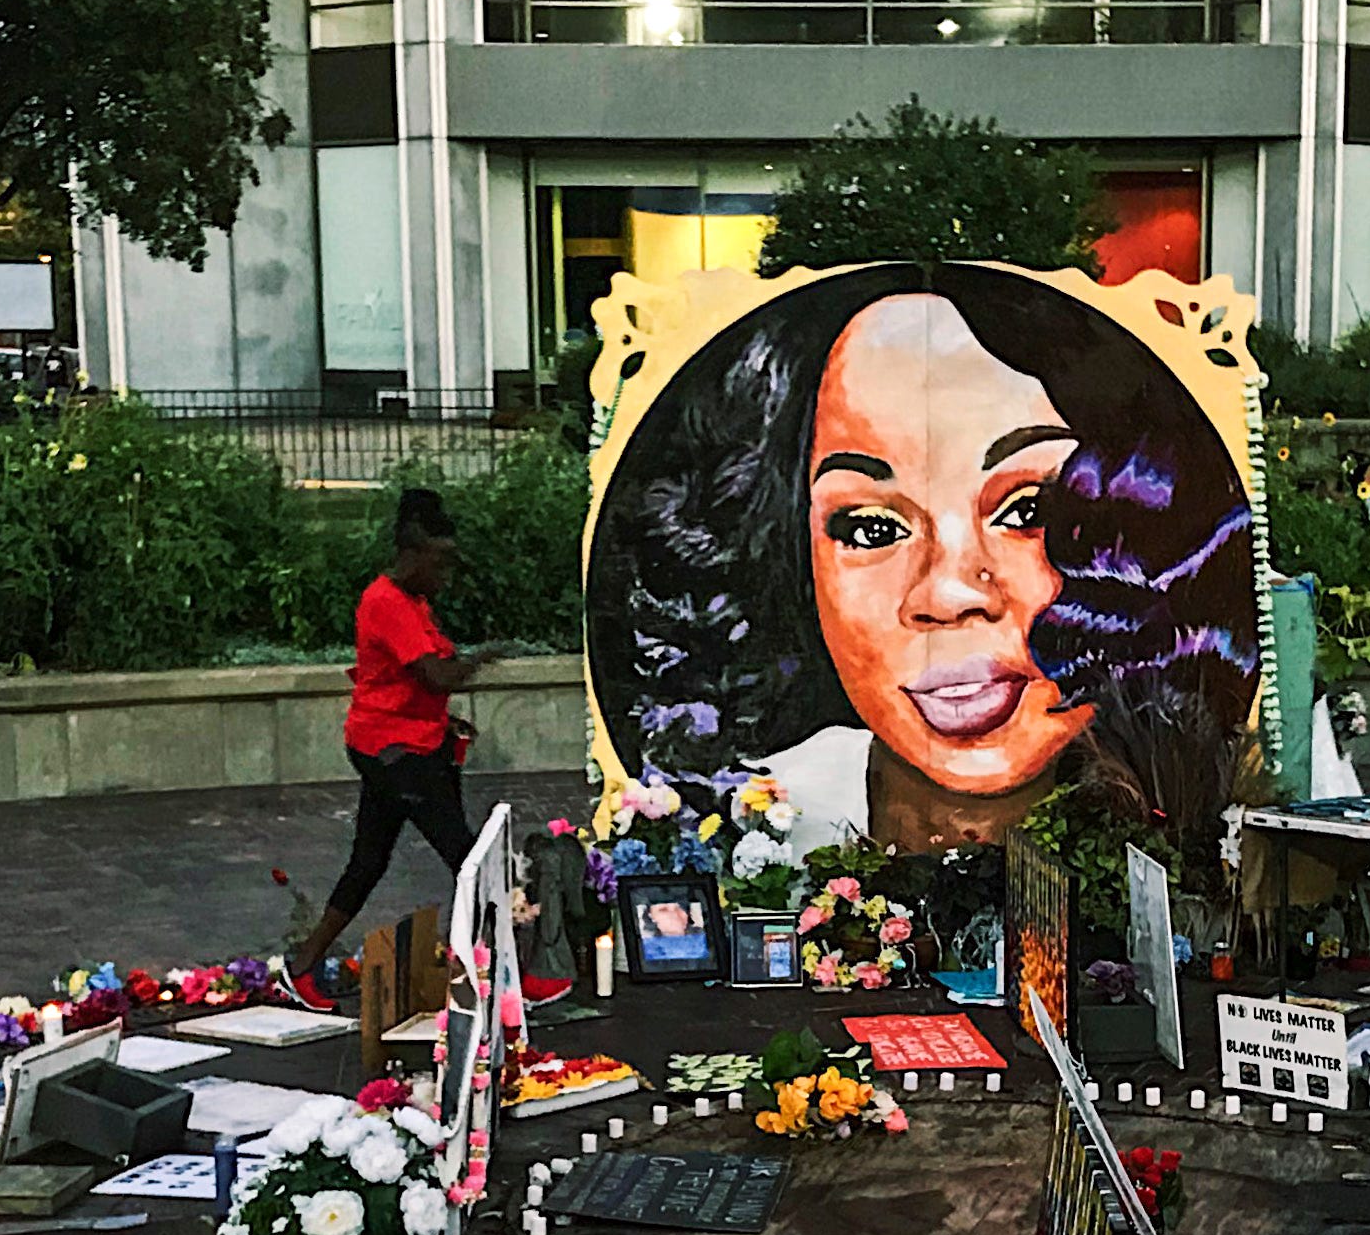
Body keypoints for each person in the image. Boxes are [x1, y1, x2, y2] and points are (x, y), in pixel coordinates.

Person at [584, 263, 1260, 852]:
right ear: (794, 559)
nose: (948, 592)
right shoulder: (757, 821)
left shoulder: (1206, 816)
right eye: (872, 529)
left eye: (1031, 511)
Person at [289, 487, 480, 988]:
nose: (446, 577)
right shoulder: (388, 602)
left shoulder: (413, 601)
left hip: (404, 744)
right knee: (468, 857)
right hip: (396, 753)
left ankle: (303, 964)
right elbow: (434, 675)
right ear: (412, 554)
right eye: (440, 564)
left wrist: (444, 721)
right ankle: (487, 966)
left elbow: (412, 682)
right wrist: (481, 662)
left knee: (369, 860)